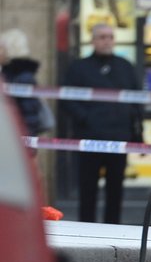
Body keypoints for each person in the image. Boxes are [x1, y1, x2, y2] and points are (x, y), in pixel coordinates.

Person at [61, 24, 143, 224]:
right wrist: (86, 118)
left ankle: (113, 228)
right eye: (102, 37)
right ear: (93, 40)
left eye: (110, 37)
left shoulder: (125, 66)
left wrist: (137, 133)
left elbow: (136, 100)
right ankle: (86, 228)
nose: (107, 41)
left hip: (119, 137)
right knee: (87, 188)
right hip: (89, 138)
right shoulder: (79, 67)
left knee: (115, 189)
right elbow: (66, 99)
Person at [0, 28, 54, 136]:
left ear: (9, 50)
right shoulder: (9, 73)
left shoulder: (23, 76)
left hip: (18, 139)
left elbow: (29, 115)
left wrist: (26, 142)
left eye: (1, 48)